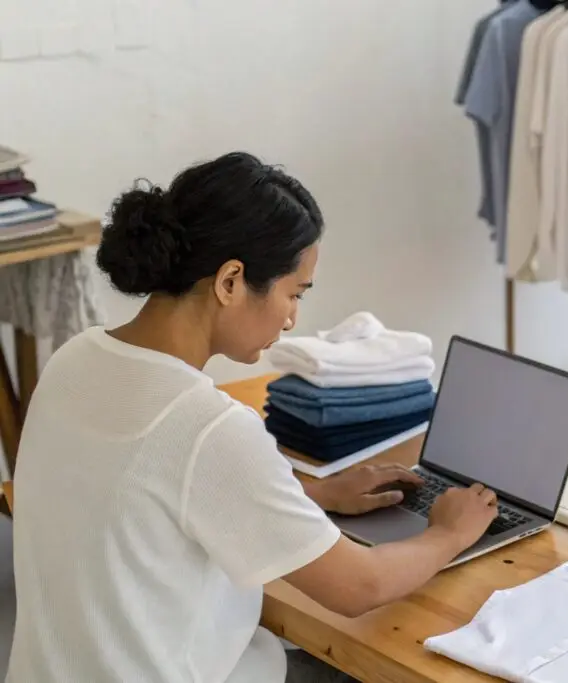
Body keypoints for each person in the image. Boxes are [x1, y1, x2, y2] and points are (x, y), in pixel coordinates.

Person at [6, 152, 498, 683]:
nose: (292, 318)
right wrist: (450, 532)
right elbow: (361, 587)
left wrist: (311, 496)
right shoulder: (207, 425)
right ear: (230, 281)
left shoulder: (75, 360)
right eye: (294, 293)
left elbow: (149, 494)